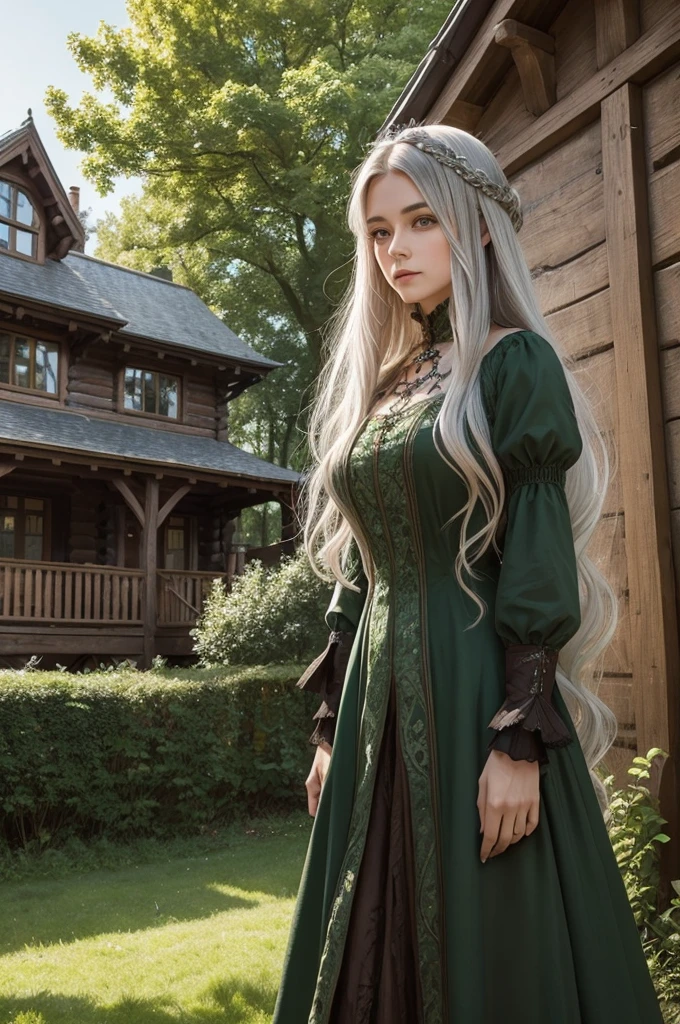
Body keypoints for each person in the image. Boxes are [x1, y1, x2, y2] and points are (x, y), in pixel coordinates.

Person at [272, 123, 664, 1023]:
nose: (395, 250)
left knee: (494, 947)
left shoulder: (511, 363)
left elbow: (535, 557)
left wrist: (519, 741)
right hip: (377, 700)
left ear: (477, 225)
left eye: (420, 222)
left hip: (480, 688)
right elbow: (364, 570)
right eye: (378, 232)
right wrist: (332, 725)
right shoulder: (394, 379)